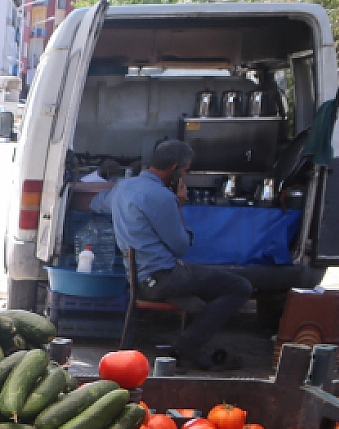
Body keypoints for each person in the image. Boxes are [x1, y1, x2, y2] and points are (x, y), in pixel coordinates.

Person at [92, 139, 252, 367]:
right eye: (185, 171)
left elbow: (96, 204)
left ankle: (192, 338)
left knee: (205, 287)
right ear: (174, 169)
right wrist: (180, 204)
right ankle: (189, 343)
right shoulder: (162, 197)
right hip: (164, 277)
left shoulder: (124, 187)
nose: (185, 177)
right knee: (239, 286)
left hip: (138, 279)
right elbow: (180, 246)